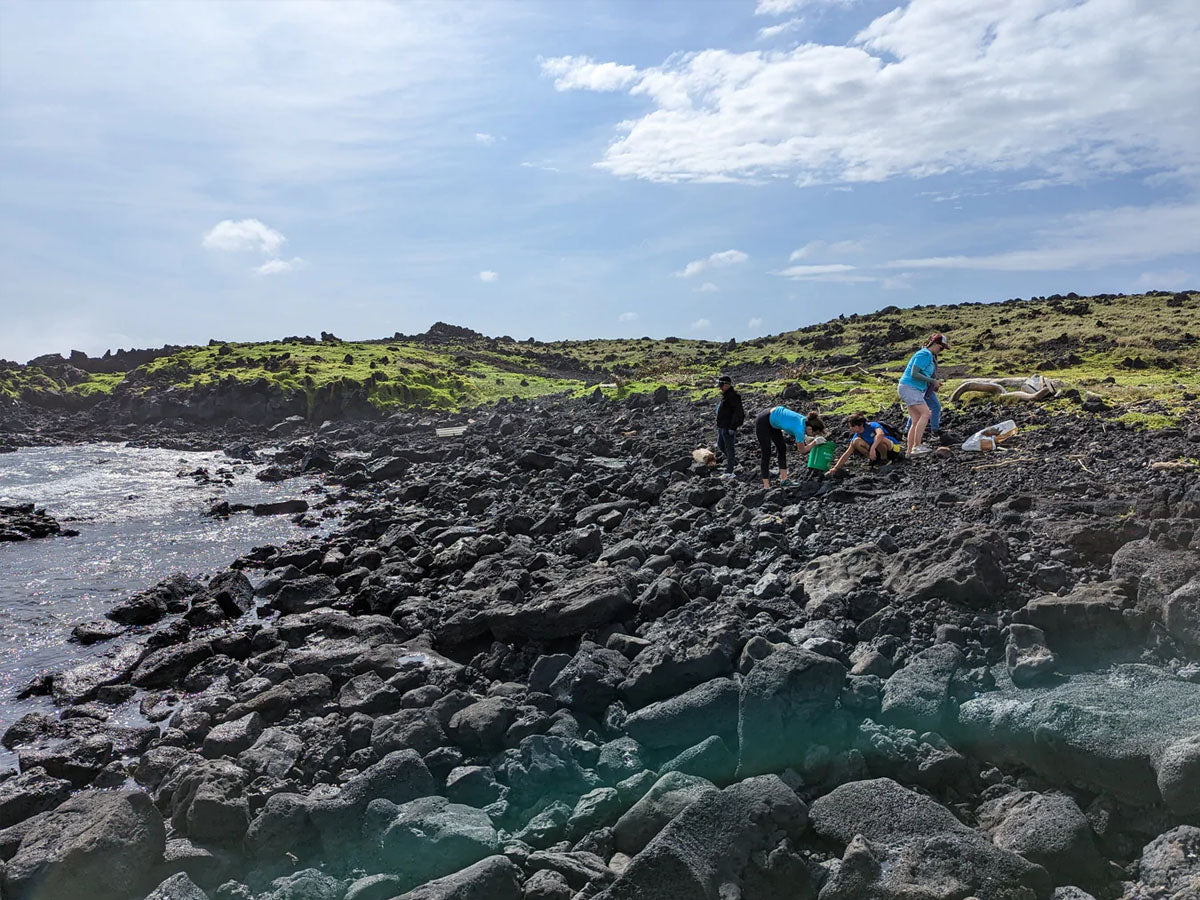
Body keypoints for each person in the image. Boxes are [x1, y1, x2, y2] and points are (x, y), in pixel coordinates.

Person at [898, 333, 947, 456]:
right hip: (910, 387)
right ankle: (917, 446)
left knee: (915, 420)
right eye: (941, 348)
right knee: (925, 414)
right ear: (935, 344)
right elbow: (914, 373)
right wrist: (932, 381)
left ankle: (909, 451)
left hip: (911, 388)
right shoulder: (925, 354)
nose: (941, 351)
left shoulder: (926, 354)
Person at [754, 405, 827, 488]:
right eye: (814, 434)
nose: (814, 436)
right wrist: (814, 443)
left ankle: (784, 480)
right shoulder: (799, 430)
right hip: (763, 420)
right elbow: (802, 450)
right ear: (810, 428)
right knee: (766, 452)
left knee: (782, 448)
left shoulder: (805, 421)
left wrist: (808, 440)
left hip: (775, 420)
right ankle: (766, 485)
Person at [829, 414, 903, 474]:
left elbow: (880, 434)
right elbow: (847, 453)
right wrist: (835, 468)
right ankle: (874, 460)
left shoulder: (872, 425)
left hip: (892, 448)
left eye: (852, 426)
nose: (851, 429)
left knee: (879, 439)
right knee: (856, 442)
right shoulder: (858, 435)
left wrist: (873, 448)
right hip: (876, 451)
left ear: (860, 425)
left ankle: (885, 459)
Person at [714, 375, 745, 479]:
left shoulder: (734, 397)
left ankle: (730, 471)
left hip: (728, 428)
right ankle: (735, 464)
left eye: (721, 385)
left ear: (727, 385)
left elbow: (739, 414)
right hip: (722, 427)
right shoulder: (725, 395)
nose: (720, 387)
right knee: (721, 445)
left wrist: (733, 427)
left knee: (729, 448)